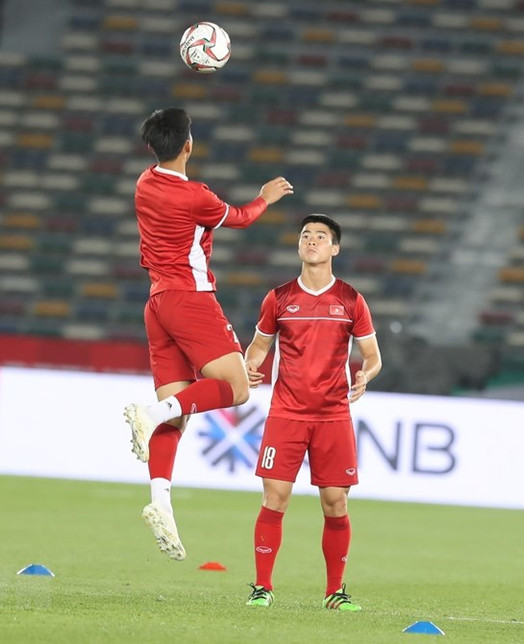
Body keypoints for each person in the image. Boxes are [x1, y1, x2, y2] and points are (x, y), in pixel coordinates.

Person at [124, 107, 293, 561]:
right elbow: (239, 217)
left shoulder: (144, 183)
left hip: (156, 303)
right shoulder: (194, 196)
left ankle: (160, 503)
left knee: (176, 414)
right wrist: (265, 197)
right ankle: (149, 414)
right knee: (237, 389)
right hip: (190, 299)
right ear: (188, 146)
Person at [242, 214, 382, 611]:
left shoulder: (351, 300)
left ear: (335, 248)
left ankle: (334, 592)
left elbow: (373, 357)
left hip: (333, 414)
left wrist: (364, 376)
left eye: (321, 236)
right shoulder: (279, 298)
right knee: (275, 497)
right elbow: (259, 346)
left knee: (336, 502)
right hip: (286, 412)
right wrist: (250, 365)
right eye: (306, 235)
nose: (311, 240)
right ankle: (262, 587)